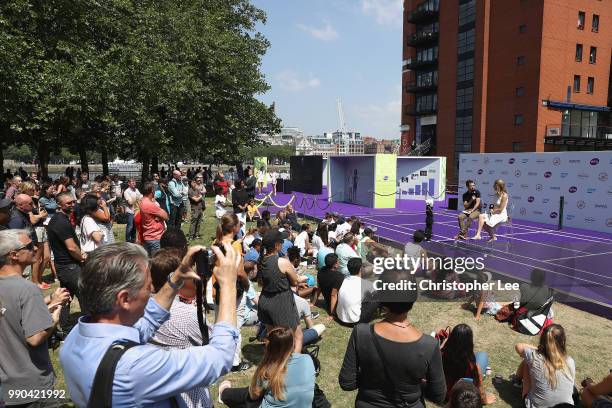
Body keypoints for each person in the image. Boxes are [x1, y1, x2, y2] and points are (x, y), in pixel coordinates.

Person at [60, 242, 240, 407]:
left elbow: (148, 320)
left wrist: (176, 279)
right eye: (148, 286)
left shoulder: (76, 337)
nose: (152, 290)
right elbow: (220, 356)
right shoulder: (134, 367)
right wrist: (228, 285)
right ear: (124, 299)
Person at [339, 268, 446, 407]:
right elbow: (438, 396)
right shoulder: (429, 345)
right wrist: (412, 386)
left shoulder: (361, 333)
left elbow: (347, 383)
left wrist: (370, 379)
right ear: (413, 298)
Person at [0, 229, 70, 407]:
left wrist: (48, 301)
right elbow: (35, 337)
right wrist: (55, 315)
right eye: (29, 246)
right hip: (31, 385)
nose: (35, 248)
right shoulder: (27, 290)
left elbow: (12, 312)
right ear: (14, 255)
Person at [149, 248, 215, 408]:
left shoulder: (141, 308)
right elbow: (218, 349)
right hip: (189, 398)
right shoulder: (186, 315)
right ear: (179, 278)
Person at [219, 326, 315, 408]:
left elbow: (254, 395)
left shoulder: (268, 370)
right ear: (292, 343)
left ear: (269, 347)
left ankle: (224, 393)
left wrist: (265, 363)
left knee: (247, 395)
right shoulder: (307, 359)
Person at [257, 230, 306, 352]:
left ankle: (271, 362)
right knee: (297, 337)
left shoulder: (261, 261)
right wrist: (303, 278)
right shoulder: (282, 262)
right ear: (276, 245)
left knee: (272, 336)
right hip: (281, 302)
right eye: (281, 242)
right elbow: (295, 282)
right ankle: (294, 366)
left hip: (265, 301)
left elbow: (260, 283)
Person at [46, 192, 86, 331]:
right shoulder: (61, 222)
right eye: (69, 203)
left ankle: (63, 326)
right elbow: (71, 247)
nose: (72, 205)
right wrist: (82, 257)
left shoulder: (59, 219)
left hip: (63, 267)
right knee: (85, 296)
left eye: (73, 202)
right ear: (59, 204)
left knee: (64, 296)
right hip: (70, 267)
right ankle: (89, 326)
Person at [514, 324, 576, 407]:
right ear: (563, 341)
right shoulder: (570, 361)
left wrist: (540, 348)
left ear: (542, 340)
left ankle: (516, 380)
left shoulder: (534, 356)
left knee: (527, 362)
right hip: (566, 406)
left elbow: (519, 346)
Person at [441, 324, 495, 404]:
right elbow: (479, 387)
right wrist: (485, 400)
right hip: (458, 396)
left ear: (451, 339)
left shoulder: (440, 355)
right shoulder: (472, 366)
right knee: (483, 354)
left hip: (443, 393)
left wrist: (445, 342)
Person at [336, 258, 375, 325]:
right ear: (360, 269)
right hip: (355, 321)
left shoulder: (344, 279)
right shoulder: (366, 284)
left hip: (340, 317)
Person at [140, 182, 169, 256]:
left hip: (149, 236)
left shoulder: (143, 201)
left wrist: (158, 216)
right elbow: (166, 216)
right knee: (156, 262)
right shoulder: (150, 205)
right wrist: (160, 215)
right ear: (152, 191)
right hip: (155, 237)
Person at [123, 178, 142, 242]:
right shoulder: (126, 191)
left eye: (135, 182)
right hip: (130, 211)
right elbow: (130, 202)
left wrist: (136, 199)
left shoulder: (136, 190)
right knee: (130, 226)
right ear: (129, 183)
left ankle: (133, 240)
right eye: (132, 182)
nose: (134, 184)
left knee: (135, 226)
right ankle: (128, 240)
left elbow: (141, 198)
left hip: (137, 211)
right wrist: (137, 198)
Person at [188, 176, 206, 240]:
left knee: (198, 222)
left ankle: (196, 235)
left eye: (195, 182)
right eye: (193, 182)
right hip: (194, 209)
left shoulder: (197, 190)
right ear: (191, 183)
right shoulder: (190, 191)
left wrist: (199, 197)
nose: (194, 183)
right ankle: (191, 236)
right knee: (193, 223)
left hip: (200, 208)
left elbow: (199, 197)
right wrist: (199, 196)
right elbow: (196, 200)